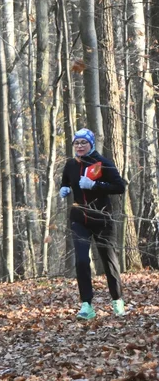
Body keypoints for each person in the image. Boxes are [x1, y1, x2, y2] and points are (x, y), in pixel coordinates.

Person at [59, 128, 127, 320]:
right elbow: (66, 180)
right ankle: (86, 305)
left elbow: (120, 186)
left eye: (83, 143)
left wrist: (96, 185)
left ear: (91, 144)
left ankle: (117, 300)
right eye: (76, 143)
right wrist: (63, 188)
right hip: (79, 218)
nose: (80, 146)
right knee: (81, 261)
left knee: (109, 260)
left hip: (102, 219)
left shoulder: (103, 163)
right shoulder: (71, 164)